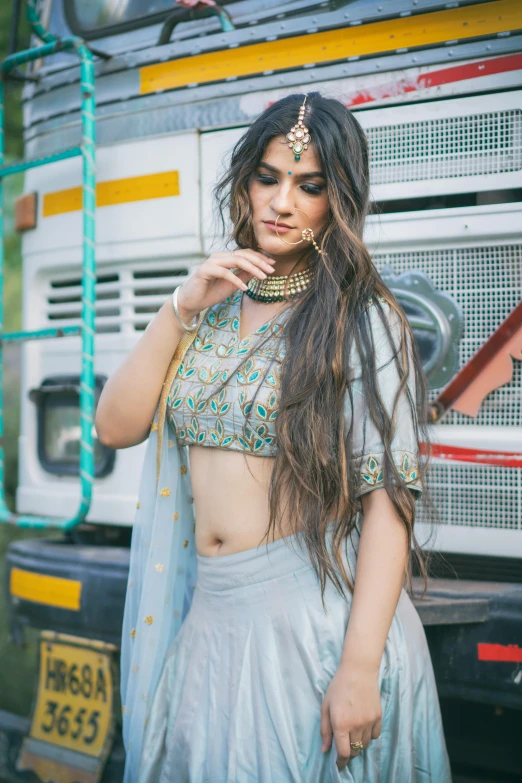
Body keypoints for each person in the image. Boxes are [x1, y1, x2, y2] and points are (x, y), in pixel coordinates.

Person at [95, 92, 452, 782]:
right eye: (267, 177)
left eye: (309, 184)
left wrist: (358, 666)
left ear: (338, 198)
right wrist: (180, 306)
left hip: (310, 630)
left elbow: (388, 505)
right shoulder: (213, 303)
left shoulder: (363, 319)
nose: (281, 201)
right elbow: (115, 426)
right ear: (245, 181)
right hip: (212, 621)